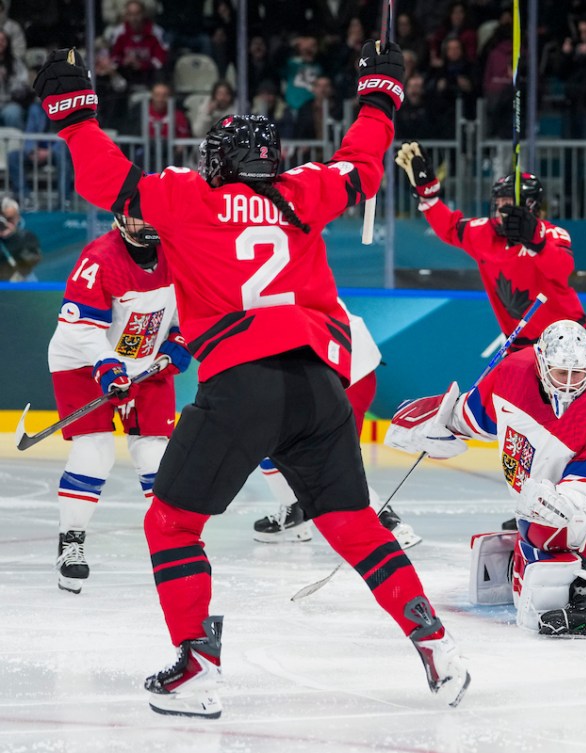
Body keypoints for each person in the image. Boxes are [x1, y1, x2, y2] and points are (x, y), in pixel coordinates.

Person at [33, 40, 469, 717]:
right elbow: (361, 165)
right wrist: (381, 93)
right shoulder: (304, 192)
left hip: (242, 382)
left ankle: (198, 668)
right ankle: (435, 643)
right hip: (319, 383)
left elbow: (106, 180)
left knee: (172, 526)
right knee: (355, 524)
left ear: (225, 161)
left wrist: (74, 113)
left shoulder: (184, 197)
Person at [394, 141, 586, 531]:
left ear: (533, 208)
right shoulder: (483, 234)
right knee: (532, 435)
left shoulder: (552, 235)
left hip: (572, 352)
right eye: (497, 201)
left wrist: (534, 239)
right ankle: (544, 504)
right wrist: (427, 192)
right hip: (523, 355)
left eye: (509, 202)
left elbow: (562, 268)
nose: (502, 208)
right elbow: (449, 228)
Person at [385, 320, 586, 637]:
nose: (569, 384)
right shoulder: (512, 373)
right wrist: (436, 422)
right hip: (544, 495)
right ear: (541, 361)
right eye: (561, 373)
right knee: (537, 537)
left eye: (579, 374)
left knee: (549, 535)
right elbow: (475, 416)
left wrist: (566, 508)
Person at [46, 214, 181, 593]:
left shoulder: (178, 246)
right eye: (139, 216)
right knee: (95, 452)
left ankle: (173, 544)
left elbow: (190, 301)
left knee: (156, 458)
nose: (149, 222)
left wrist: (180, 338)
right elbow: (80, 327)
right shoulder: (100, 258)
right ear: (120, 220)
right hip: (82, 362)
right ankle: (70, 541)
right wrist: (107, 365)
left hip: (146, 364)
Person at [252, 305, 422, 550]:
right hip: (346, 368)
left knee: (327, 458)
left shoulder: (260, 289)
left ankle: (385, 522)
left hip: (335, 371)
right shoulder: (285, 276)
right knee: (274, 442)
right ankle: (295, 511)